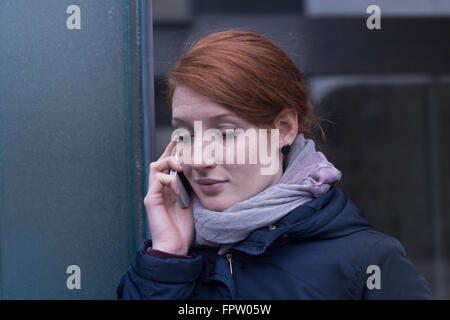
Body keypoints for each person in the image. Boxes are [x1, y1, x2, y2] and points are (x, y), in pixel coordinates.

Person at [116, 29, 432, 299]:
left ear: (283, 130)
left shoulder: (367, 262)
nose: (198, 159)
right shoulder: (164, 262)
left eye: (225, 134)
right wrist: (168, 258)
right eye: (184, 133)